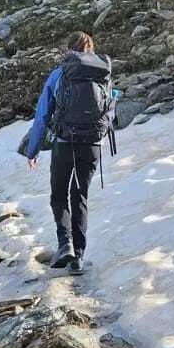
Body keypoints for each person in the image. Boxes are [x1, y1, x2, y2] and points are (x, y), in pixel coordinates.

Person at [25, 31, 115, 273]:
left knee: (59, 195)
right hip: (93, 145)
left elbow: (42, 115)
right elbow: (110, 110)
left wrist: (32, 149)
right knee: (80, 196)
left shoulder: (59, 74)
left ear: (69, 50)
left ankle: (65, 244)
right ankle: (80, 256)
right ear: (91, 49)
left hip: (65, 142)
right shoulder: (103, 73)